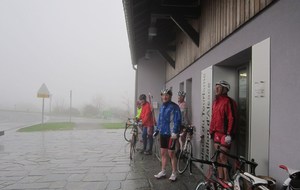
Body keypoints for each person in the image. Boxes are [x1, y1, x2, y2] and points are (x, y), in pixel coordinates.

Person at [209, 80, 237, 181]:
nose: (216, 89)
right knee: (218, 158)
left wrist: (229, 134)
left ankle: (227, 181)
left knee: (223, 158)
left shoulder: (229, 101)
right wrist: (211, 132)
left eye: (219, 87)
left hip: (225, 134)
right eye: (215, 86)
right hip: (216, 133)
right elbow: (213, 118)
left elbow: (232, 118)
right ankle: (220, 180)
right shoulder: (215, 102)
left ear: (225, 89)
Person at [154, 89, 181, 181]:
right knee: (163, 153)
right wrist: (157, 129)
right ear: (161, 96)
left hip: (171, 134)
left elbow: (177, 120)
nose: (164, 97)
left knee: (171, 153)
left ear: (170, 96)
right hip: (163, 133)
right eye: (163, 95)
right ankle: (163, 171)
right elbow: (160, 120)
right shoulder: (162, 107)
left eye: (167, 95)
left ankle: (174, 173)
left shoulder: (175, 107)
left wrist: (175, 131)